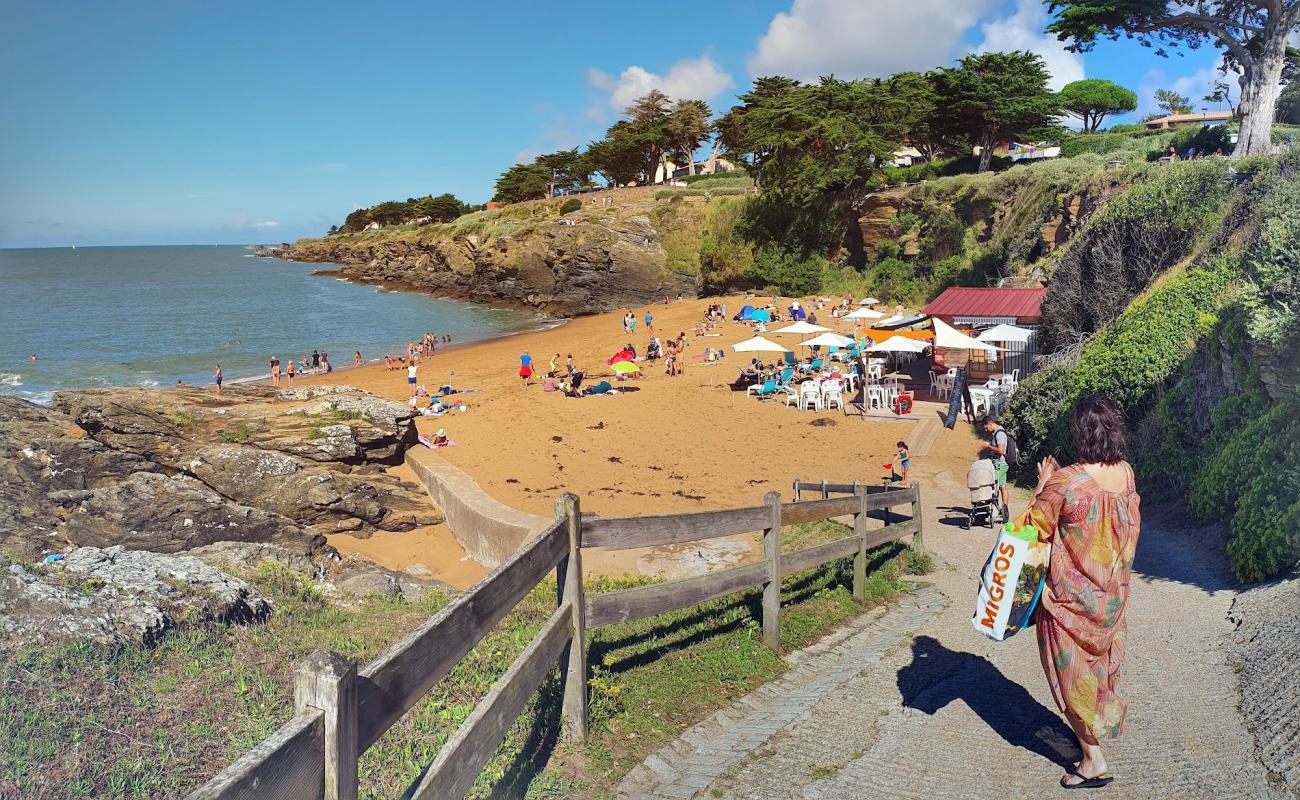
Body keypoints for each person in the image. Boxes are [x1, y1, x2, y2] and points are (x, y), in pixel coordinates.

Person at [1023, 395, 1141, 790]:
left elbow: (1033, 528)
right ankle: (1093, 735)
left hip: (1069, 601)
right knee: (1096, 672)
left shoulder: (1066, 481)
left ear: (1080, 432)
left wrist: (1041, 484)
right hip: (1111, 597)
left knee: (1069, 675)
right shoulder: (1126, 473)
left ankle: (1093, 760)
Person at [979, 415, 1012, 521]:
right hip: (1001, 463)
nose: (986, 430)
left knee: (994, 486)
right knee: (1002, 486)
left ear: (990, 423)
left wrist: (988, 447)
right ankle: (1004, 511)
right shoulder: (998, 432)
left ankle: (995, 511)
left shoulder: (999, 434)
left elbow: (1001, 450)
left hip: (1000, 464)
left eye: (986, 427)